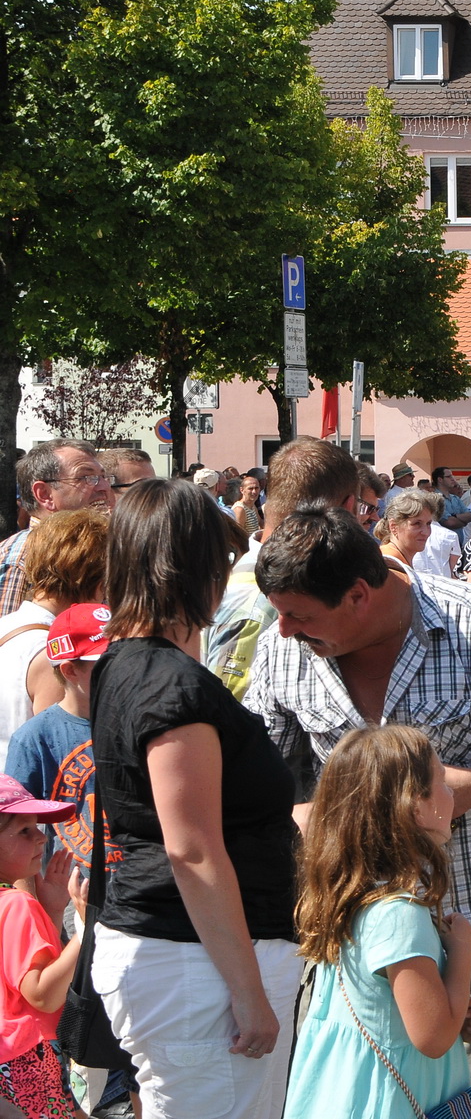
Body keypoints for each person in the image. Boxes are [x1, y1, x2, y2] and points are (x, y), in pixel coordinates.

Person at [248, 510, 471, 1118]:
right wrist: (304, 813)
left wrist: (462, 790)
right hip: (362, 938)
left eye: (299, 615)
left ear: (359, 595)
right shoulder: (288, 648)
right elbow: (262, 768)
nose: (282, 630)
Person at [90, 478, 300, 1119]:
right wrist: (248, 992)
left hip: (186, 952)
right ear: (195, 566)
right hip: (197, 961)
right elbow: (193, 849)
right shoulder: (167, 684)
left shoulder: (129, 663)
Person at [284, 725, 471, 1119]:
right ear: (415, 806)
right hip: (388, 1098)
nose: (451, 793)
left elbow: (391, 1014)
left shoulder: (355, 896)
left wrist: (457, 1009)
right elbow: (431, 1038)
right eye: (442, 782)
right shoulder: (399, 914)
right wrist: (463, 955)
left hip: (346, 1087)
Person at [204, 436, 359, 702]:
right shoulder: (259, 599)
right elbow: (228, 712)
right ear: (346, 508)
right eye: (363, 508)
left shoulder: (264, 579)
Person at [5, 605, 113, 872]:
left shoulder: (141, 720)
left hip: (139, 894)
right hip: (70, 892)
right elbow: (14, 832)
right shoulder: (36, 738)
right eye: (105, 663)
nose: (121, 670)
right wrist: (30, 904)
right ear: (69, 670)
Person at [0, 777, 83, 1119]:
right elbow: (42, 995)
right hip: (27, 1059)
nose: (41, 837)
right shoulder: (17, 904)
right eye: (23, 831)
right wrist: (86, 930)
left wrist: (49, 909)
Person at [0, 510, 107, 762]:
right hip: (29, 796)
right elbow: (61, 754)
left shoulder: (7, 625)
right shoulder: (54, 651)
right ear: (96, 579)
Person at [0, 440, 113, 616]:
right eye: (87, 478)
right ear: (44, 494)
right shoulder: (18, 559)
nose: (104, 487)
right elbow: (11, 639)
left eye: (104, 477)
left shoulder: (107, 548)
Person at [375, 489, 440, 571]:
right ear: (393, 526)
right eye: (417, 523)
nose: (426, 532)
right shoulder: (389, 564)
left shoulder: (399, 560)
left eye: (428, 524)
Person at [432, 467, 471, 540]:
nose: (452, 479)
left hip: (458, 543)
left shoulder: (455, 498)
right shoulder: (435, 499)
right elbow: (449, 522)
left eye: (452, 476)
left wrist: (455, 516)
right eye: (448, 477)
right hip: (443, 543)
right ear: (440, 479)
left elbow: (470, 516)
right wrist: (464, 523)